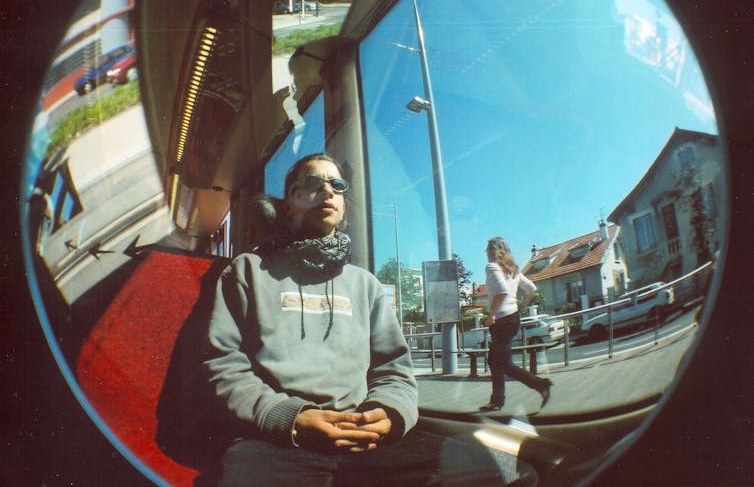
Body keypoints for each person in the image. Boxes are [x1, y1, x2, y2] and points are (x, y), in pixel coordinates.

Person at [202, 154, 537, 486]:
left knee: (507, 473)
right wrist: (291, 418)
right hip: (277, 444)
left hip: (366, 440)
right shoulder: (247, 271)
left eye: (337, 184)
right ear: (287, 204)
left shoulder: (365, 285)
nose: (327, 190)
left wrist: (389, 413)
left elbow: (394, 369)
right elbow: (224, 365)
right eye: (311, 183)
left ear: (344, 205)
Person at [479, 237, 553, 412]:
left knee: (503, 363)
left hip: (502, 321)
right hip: (512, 318)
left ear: (493, 251)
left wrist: (491, 315)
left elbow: (503, 291)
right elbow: (532, 289)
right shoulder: (513, 270)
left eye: (487, 249)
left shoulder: (491, 267)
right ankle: (497, 401)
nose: (485, 252)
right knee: (495, 360)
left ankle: (541, 385)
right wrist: (520, 306)